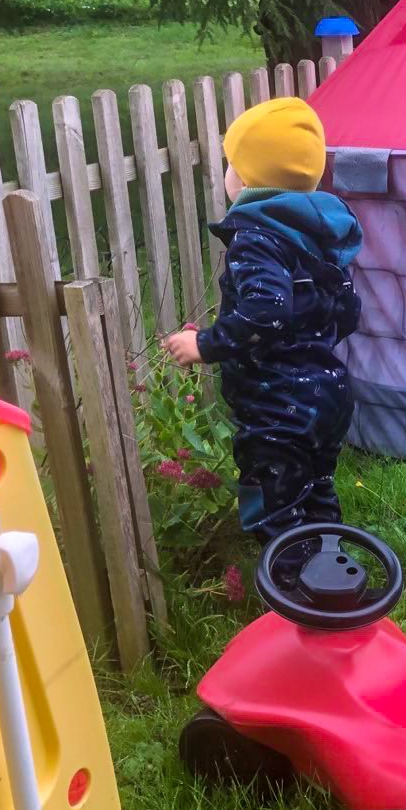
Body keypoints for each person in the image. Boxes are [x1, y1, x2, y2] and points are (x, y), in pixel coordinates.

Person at [164, 98, 362, 552]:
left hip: (279, 406)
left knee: (275, 511)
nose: (227, 173)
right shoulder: (318, 232)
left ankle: (294, 600)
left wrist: (205, 345)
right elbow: (348, 311)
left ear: (248, 178)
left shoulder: (256, 238)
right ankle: (331, 580)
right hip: (329, 393)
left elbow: (265, 312)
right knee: (317, 493)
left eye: (231, 164)